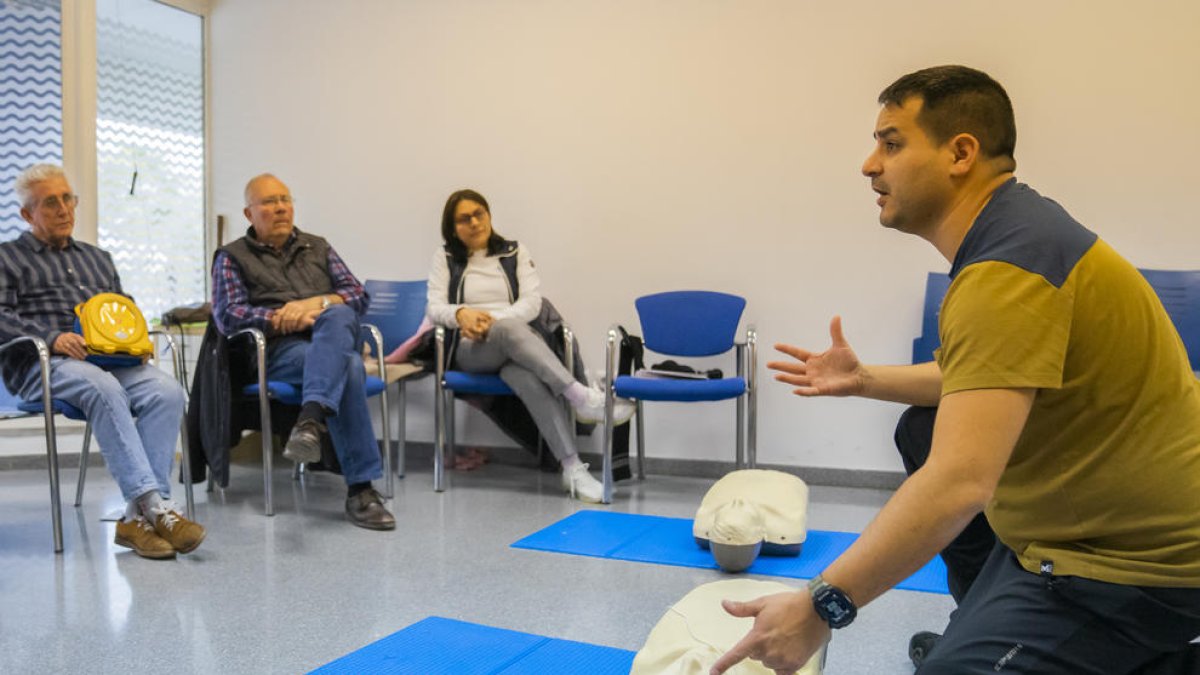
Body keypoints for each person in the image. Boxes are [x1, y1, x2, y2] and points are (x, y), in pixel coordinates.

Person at [711, 65, 1200, 675]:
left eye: (891, 143)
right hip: (1063, 532)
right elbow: (980, 379)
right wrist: (864, 381)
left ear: (961, 153)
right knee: (921, 426)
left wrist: (821, 605)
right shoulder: (1019, 232)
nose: (870, 165)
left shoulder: (1007, 268)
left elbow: (959, 485)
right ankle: (986, 624)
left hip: (1138, 569)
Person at [0, 163, 203, 560]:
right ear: (27, 214)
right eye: (50, 203)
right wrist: (53, 338)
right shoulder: (7, 258)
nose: (63, 209)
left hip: (110, 360)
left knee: (166, 391)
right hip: (43, 365)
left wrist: (138, 339)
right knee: (101, 386)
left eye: (68, 199)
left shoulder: (98, 258)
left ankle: (135, 520)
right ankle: (155, 504)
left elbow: (123, 308)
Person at [426, 189, 635, 503]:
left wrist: (492, 322)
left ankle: (573, 469)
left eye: (478, 213)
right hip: (471, 350)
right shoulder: (445, 258)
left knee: (525, 376)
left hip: (512, 344)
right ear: (452, 228)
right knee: (511, 330)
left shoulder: (514, 252)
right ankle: (579, 397)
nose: (473, 222)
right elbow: (434, 307)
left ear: (489, 215)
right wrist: (462, 313)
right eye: (463, 219)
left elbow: (531, 304)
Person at [211, 173, 394, 530]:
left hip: (330, 339)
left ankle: (310, 420)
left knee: (340, 313)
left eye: (285, 199)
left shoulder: (318, 246)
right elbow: (228, 315)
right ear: (249, 214)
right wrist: (283, 318)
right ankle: (360, 489)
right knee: (352, 367)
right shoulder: (232, 257)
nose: (280, 208)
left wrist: (314, 304)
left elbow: (358, 296)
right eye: (268, 202)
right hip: (280, 351)